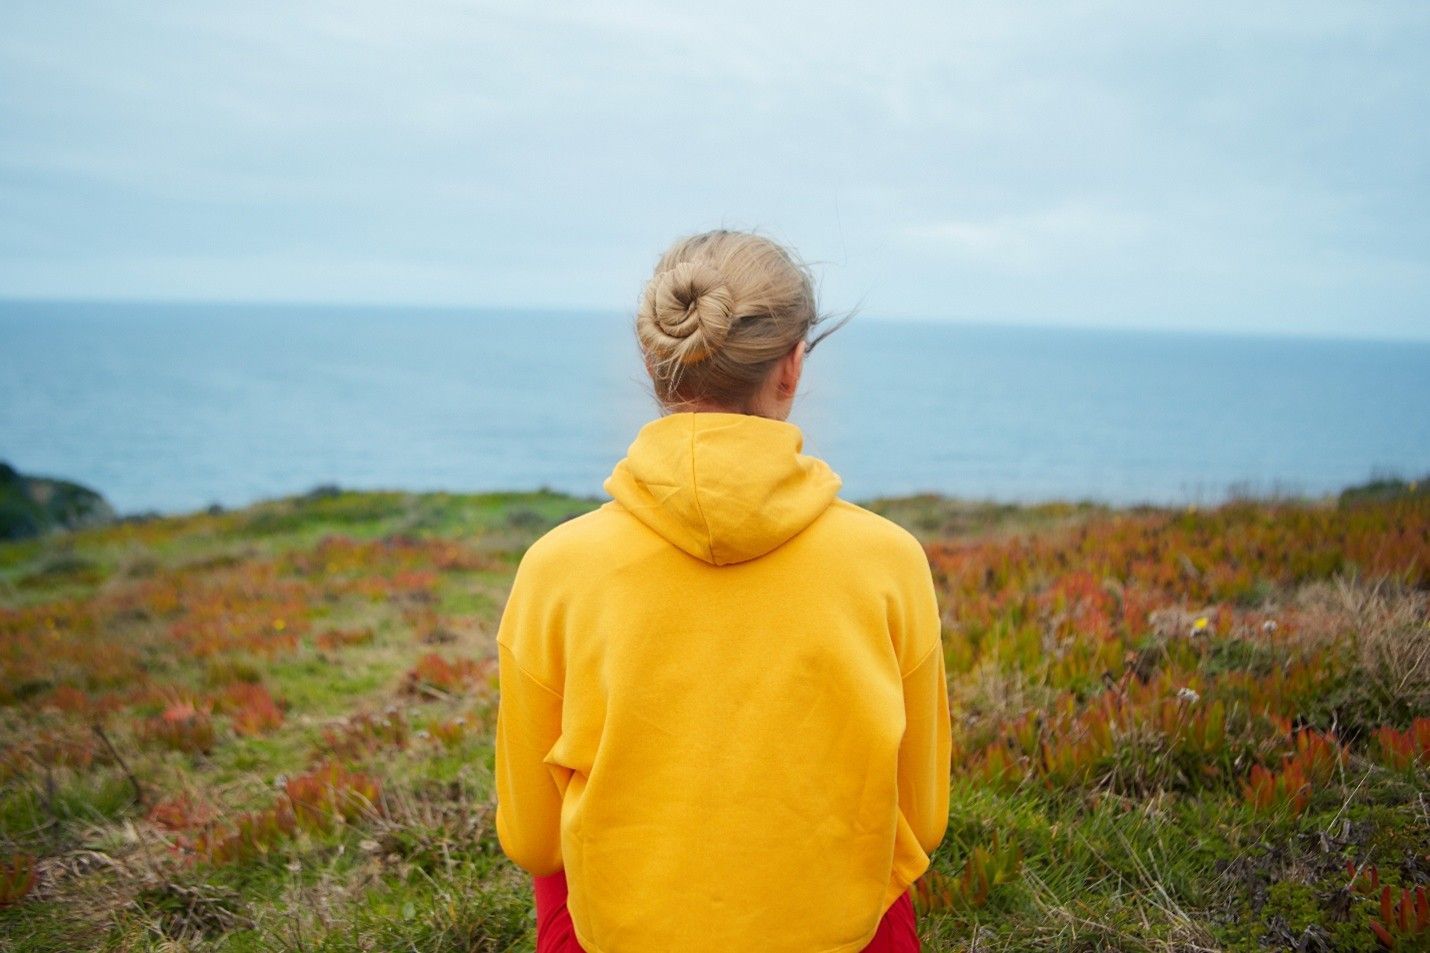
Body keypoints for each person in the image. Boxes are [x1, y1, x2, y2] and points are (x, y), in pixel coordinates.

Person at [494, 229, 952, 952]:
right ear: (792, 366)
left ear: (657, 366)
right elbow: (921, 822)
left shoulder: (556, 566)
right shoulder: (890, 560)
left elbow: (532, 842)